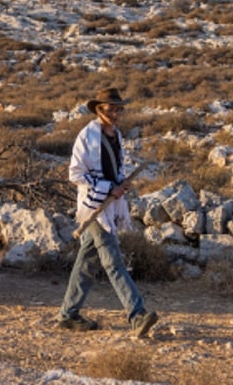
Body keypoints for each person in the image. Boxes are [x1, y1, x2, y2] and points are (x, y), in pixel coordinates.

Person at [57, 87, 159, 338]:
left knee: (86, 264)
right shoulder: (86, 136)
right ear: (99, 110)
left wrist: (120, 185)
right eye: (111, 109)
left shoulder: (117, 136)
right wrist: (106, 188)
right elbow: (75, 173)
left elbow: (116, 170)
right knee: (113, 262)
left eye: (118, 109)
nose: (115, 113)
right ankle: (137, 315)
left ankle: (68, 315)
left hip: (109, 205)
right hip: (94, 207)